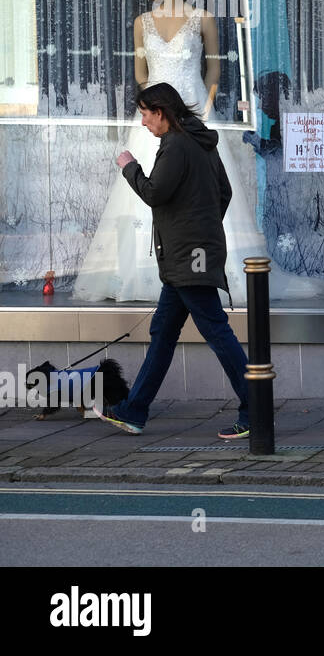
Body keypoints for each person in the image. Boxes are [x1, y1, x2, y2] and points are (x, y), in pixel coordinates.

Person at [74, 0, 324, 304]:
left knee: (206, 190)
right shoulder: (142, 23)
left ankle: (211, 269)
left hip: (196, 114)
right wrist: (155, 109)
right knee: (151, 193)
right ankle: (145, 273)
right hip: (157, 116)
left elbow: (215, 68)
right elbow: (141, 74)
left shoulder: (203, 17)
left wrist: (204, 105)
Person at [95, 82, 250, 438]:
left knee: (215, 331)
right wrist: (201, 223)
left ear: (161, 113)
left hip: (188, 257)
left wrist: (129, 166)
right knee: (163, 333)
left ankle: (254, 407)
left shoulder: (177, 145)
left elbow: (154, 192)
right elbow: (223, 193)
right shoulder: (198, 140)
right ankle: (134, 410)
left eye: (146, 115)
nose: (145, 123)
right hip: (189, 254)